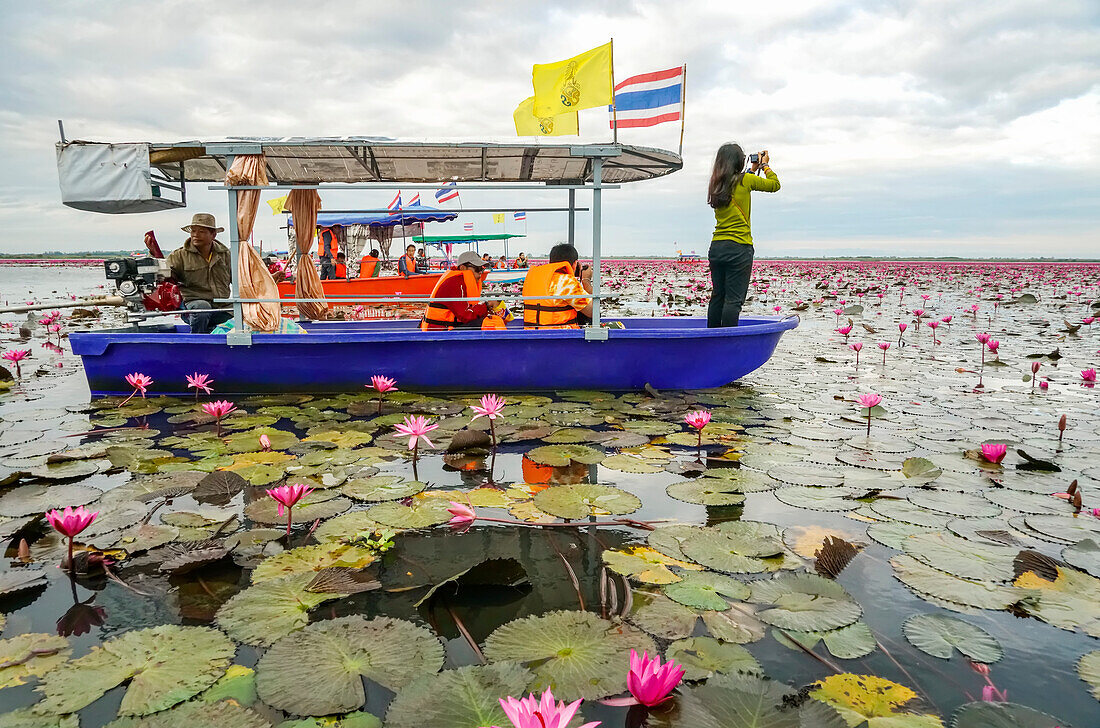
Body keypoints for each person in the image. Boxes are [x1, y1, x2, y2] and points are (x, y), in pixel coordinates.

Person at [707, 144, 779, 327]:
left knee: (718, 297)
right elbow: (774, 185)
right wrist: (765, 167)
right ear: (738, 161)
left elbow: (737, 186)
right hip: (739, 248)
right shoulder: (745, 180)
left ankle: (712, 339)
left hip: (717, 248)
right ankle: (728, 344)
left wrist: (751, 170)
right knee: (733, 300)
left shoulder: (716, 183)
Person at [166, 213, 232, 334]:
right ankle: (198, 343)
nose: (195, 235)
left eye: (201, 231)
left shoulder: (226, 255)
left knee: (245, 310)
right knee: (202, 307)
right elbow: (167, 280)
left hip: (222, 306)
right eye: (193, 231)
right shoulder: (178, 256)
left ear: (213, 235)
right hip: (192, 306)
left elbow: (242, 280)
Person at [421, 251, 507, 331]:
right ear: (463, 268)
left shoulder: (458, 280)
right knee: (492, 323)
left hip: (445, 327)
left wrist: (487, 308)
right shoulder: (455, 283)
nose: (480, 272)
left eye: (482, 269)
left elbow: (465, 312)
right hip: (439, 331)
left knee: (492, 319)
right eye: (477, 268)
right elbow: (466, 316)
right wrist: (487, 305)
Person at [521, 243, 592, 329]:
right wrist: (586, 281)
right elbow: (593, 312)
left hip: (533, 334)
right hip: (560, 337)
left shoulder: (533, 278)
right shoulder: (566, 281)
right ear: (575, 264)